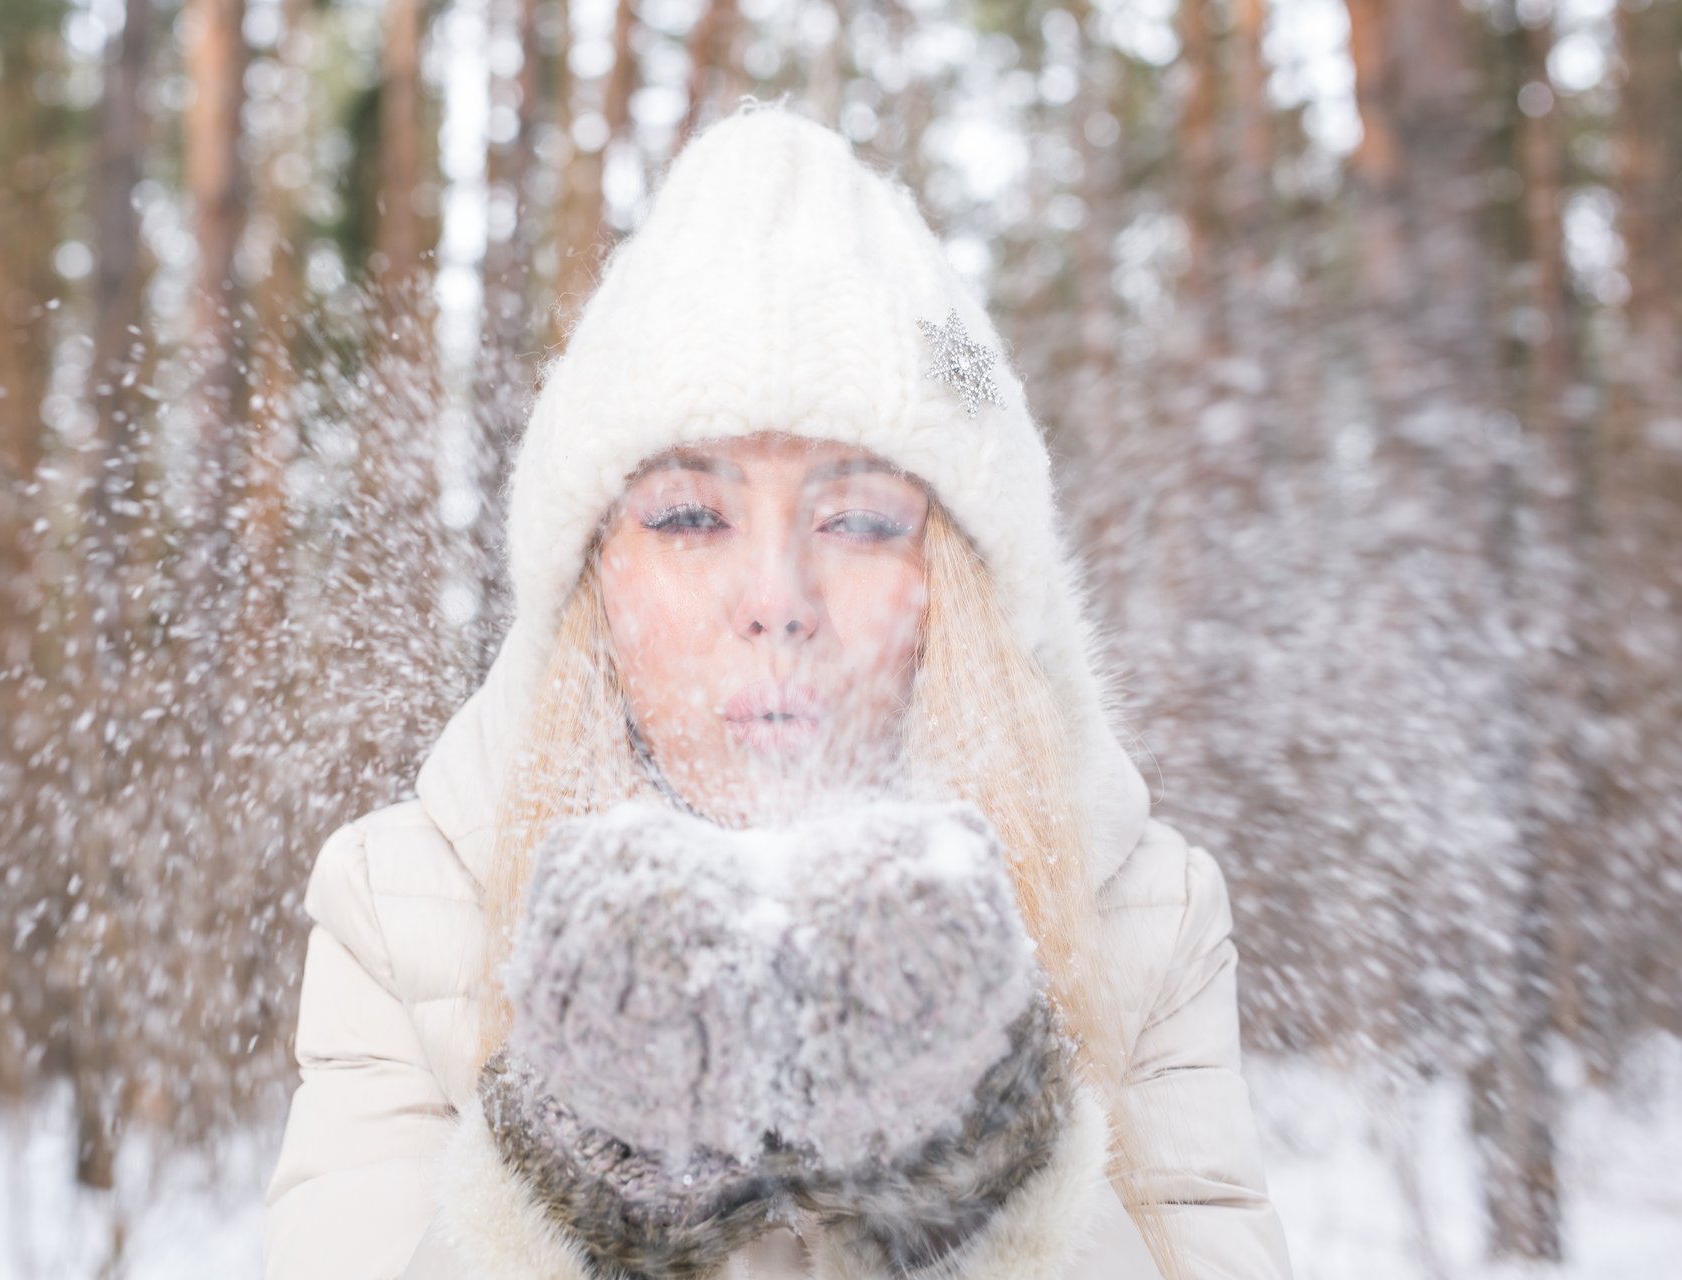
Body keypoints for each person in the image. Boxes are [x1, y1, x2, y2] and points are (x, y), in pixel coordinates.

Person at [264, 99, 1294, 1280]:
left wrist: (988, 1175)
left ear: (958, 584)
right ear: (593, 574)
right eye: (691, 515)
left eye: (859, 520)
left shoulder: (1143, 914)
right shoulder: (404, 904)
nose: (776, 597)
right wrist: (562, 1181)